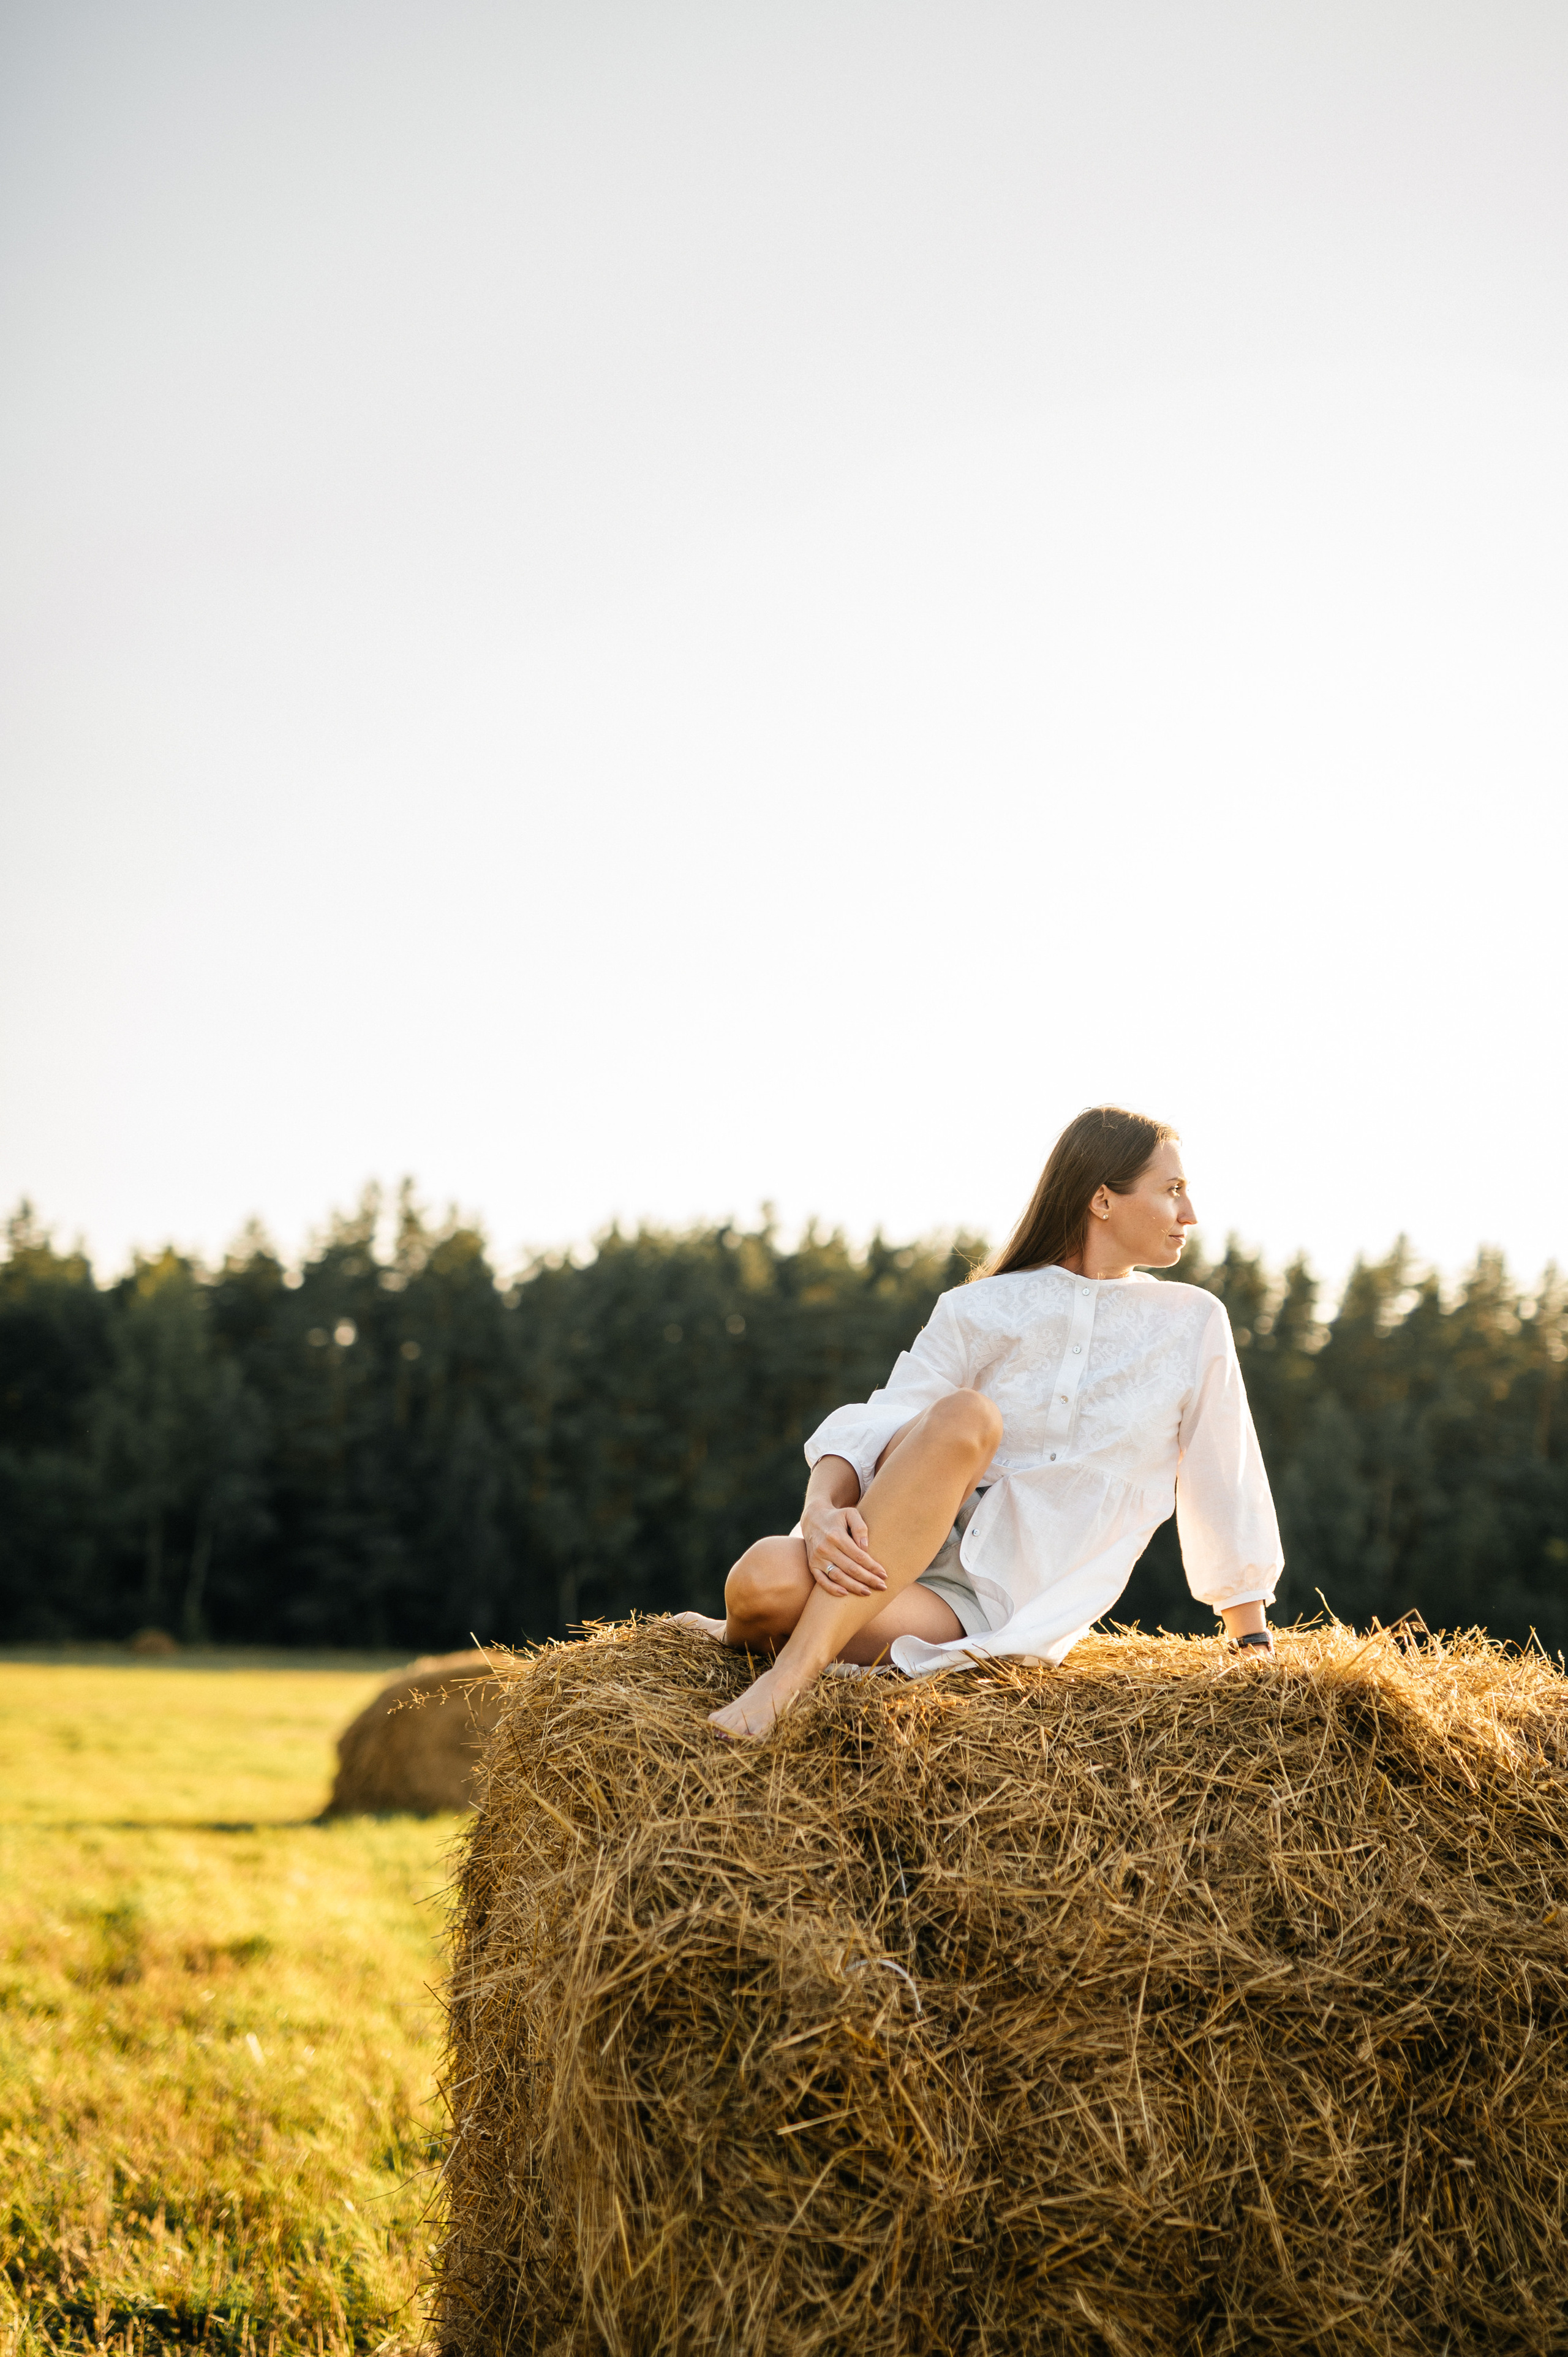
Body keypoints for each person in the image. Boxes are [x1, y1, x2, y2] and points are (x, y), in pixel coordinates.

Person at [679, 1106, 1284, 1741]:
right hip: (899, 1552)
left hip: (985, 1603)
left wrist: (1253, 1640)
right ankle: (762, 1650)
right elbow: (885, 1412)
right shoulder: (980, 1305)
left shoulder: (1192, 1321)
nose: (1190, 1214)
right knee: (760, 1576)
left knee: (769, 1592)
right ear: (1102, 1200)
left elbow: (1226, 1474)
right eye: (1172, 1190)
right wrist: (821, 1504)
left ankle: (783, 1672)